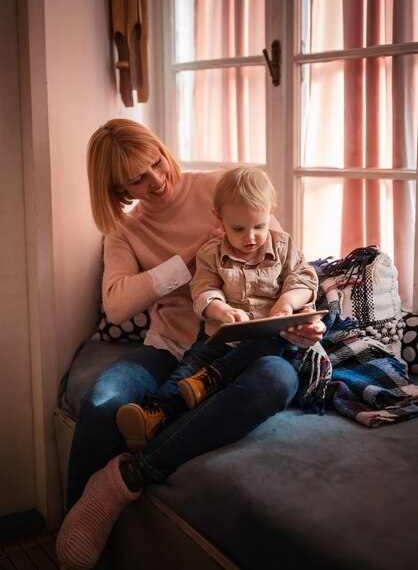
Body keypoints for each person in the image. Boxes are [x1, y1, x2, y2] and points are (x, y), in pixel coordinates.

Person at [56, 119, 326, 570]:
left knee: (277, 379)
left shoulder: (224, 188)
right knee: (102, 403)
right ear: (117, 187)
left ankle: (129, 475)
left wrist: (292, 322)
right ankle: (79, 548)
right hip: (170, 348)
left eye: (156, 162)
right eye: (138, 179)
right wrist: (189, 258)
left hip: (244, 348)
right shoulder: (124, 230)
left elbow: (284, 267)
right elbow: (117, 305)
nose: (157, 180)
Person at [116, 167, 318, 453]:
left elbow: (305, 279)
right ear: (219, 218)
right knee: (188, 369)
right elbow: (203, 290)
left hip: (263, 341)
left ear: (270, 212)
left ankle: (216, 377)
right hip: (219, 336)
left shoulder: (283, 246)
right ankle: (154, 412)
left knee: (270, 342)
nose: (251, 237)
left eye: (259, 226)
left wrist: (287, 303)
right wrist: (221, 309)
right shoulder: (210, 253)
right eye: (238, 229)